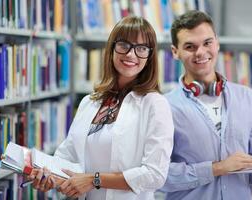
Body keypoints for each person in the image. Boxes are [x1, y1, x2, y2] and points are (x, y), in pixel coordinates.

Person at [160, 10, 252, 200]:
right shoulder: (164, 106)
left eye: (207, 43)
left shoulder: (247, 97)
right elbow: (158, 176)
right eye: (190, 46)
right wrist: (217, 168)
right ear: (175, 52)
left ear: (217, 43)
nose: (201, 52)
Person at [29, 16, 174, 200]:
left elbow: (155, 174)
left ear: (150, 56)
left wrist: (94, 179)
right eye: (124, 45)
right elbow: (68, 156)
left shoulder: (154, 104)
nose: (131, 54)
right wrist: (49, 176)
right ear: (112, 48)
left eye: (141, 48)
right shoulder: (90, 101)